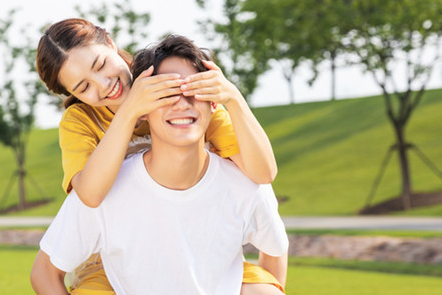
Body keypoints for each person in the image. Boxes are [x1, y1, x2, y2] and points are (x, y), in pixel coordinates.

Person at [35, 18, 281, 293]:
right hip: (109, 259)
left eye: (101, 65)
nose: (103, 85)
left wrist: (233, 97)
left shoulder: (181, 98)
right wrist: (129, 112)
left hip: (198, 251)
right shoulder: (80, 120)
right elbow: (90, 195)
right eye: (83, 88)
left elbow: (263, 174)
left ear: (111, 44)